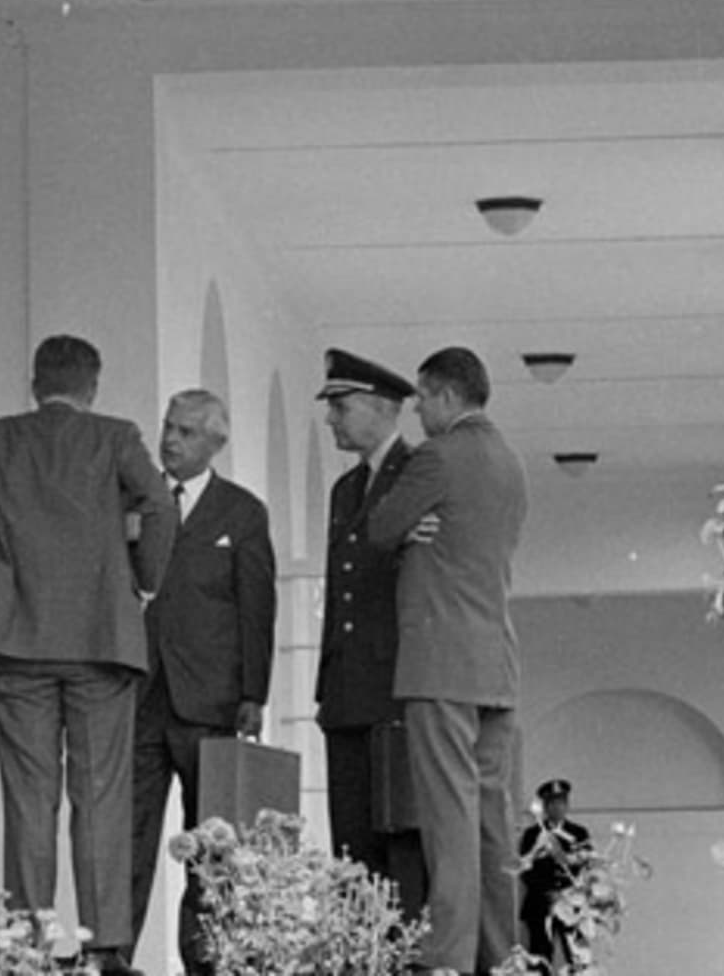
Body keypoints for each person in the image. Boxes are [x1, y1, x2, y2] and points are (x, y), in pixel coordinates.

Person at [0, 336, 176, 975]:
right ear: (92, 385)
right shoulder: (115, 437)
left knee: (30, 797)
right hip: (101, 640)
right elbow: (161, 503)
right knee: (101, 792)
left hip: (18, 637)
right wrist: (141, 580)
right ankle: (103, 944)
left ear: (35, 383)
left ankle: (28, 942)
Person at [366, 346, 527, 976]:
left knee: (448, 819)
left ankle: (448, 960)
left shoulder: (438, 456)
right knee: (492, 819)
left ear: (449, 397)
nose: (421, 412)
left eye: (424, 399)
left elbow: (380, 527)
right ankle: (501, 954)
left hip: (440, 660)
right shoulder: (510, 462)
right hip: (496, 661)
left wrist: (409, 528)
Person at [128, 389, 277, 976]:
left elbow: (256, 607)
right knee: (128, 836)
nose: (170, 439)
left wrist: (254, 693)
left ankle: (208, 959)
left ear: (215, 442)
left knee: (213, 842)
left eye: (187, 432)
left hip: (211, 701)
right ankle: (115, 955)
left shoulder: (241, 512)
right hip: (140, 695)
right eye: (168, 426)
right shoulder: (134, 503)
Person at [313, 347, 427, 915]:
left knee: (401, 843)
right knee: (351, 846)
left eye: (341, 405)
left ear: (383, 408)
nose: (332, 419)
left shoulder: (417, 473)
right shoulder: (344, 490)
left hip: (394, 688)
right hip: (347, 691)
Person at [517, 778, 591, 969]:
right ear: (545, 806)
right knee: (540, 956)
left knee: (577, 956)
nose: (557, 808)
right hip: (541, 904)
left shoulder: (578, 834)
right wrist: (548, 892)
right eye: (552, 803)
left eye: (561, 802)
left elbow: (587, 867)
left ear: (567, 805)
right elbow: (526, 869)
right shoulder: (533, 834)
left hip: (571, 905)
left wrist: (567, 893)